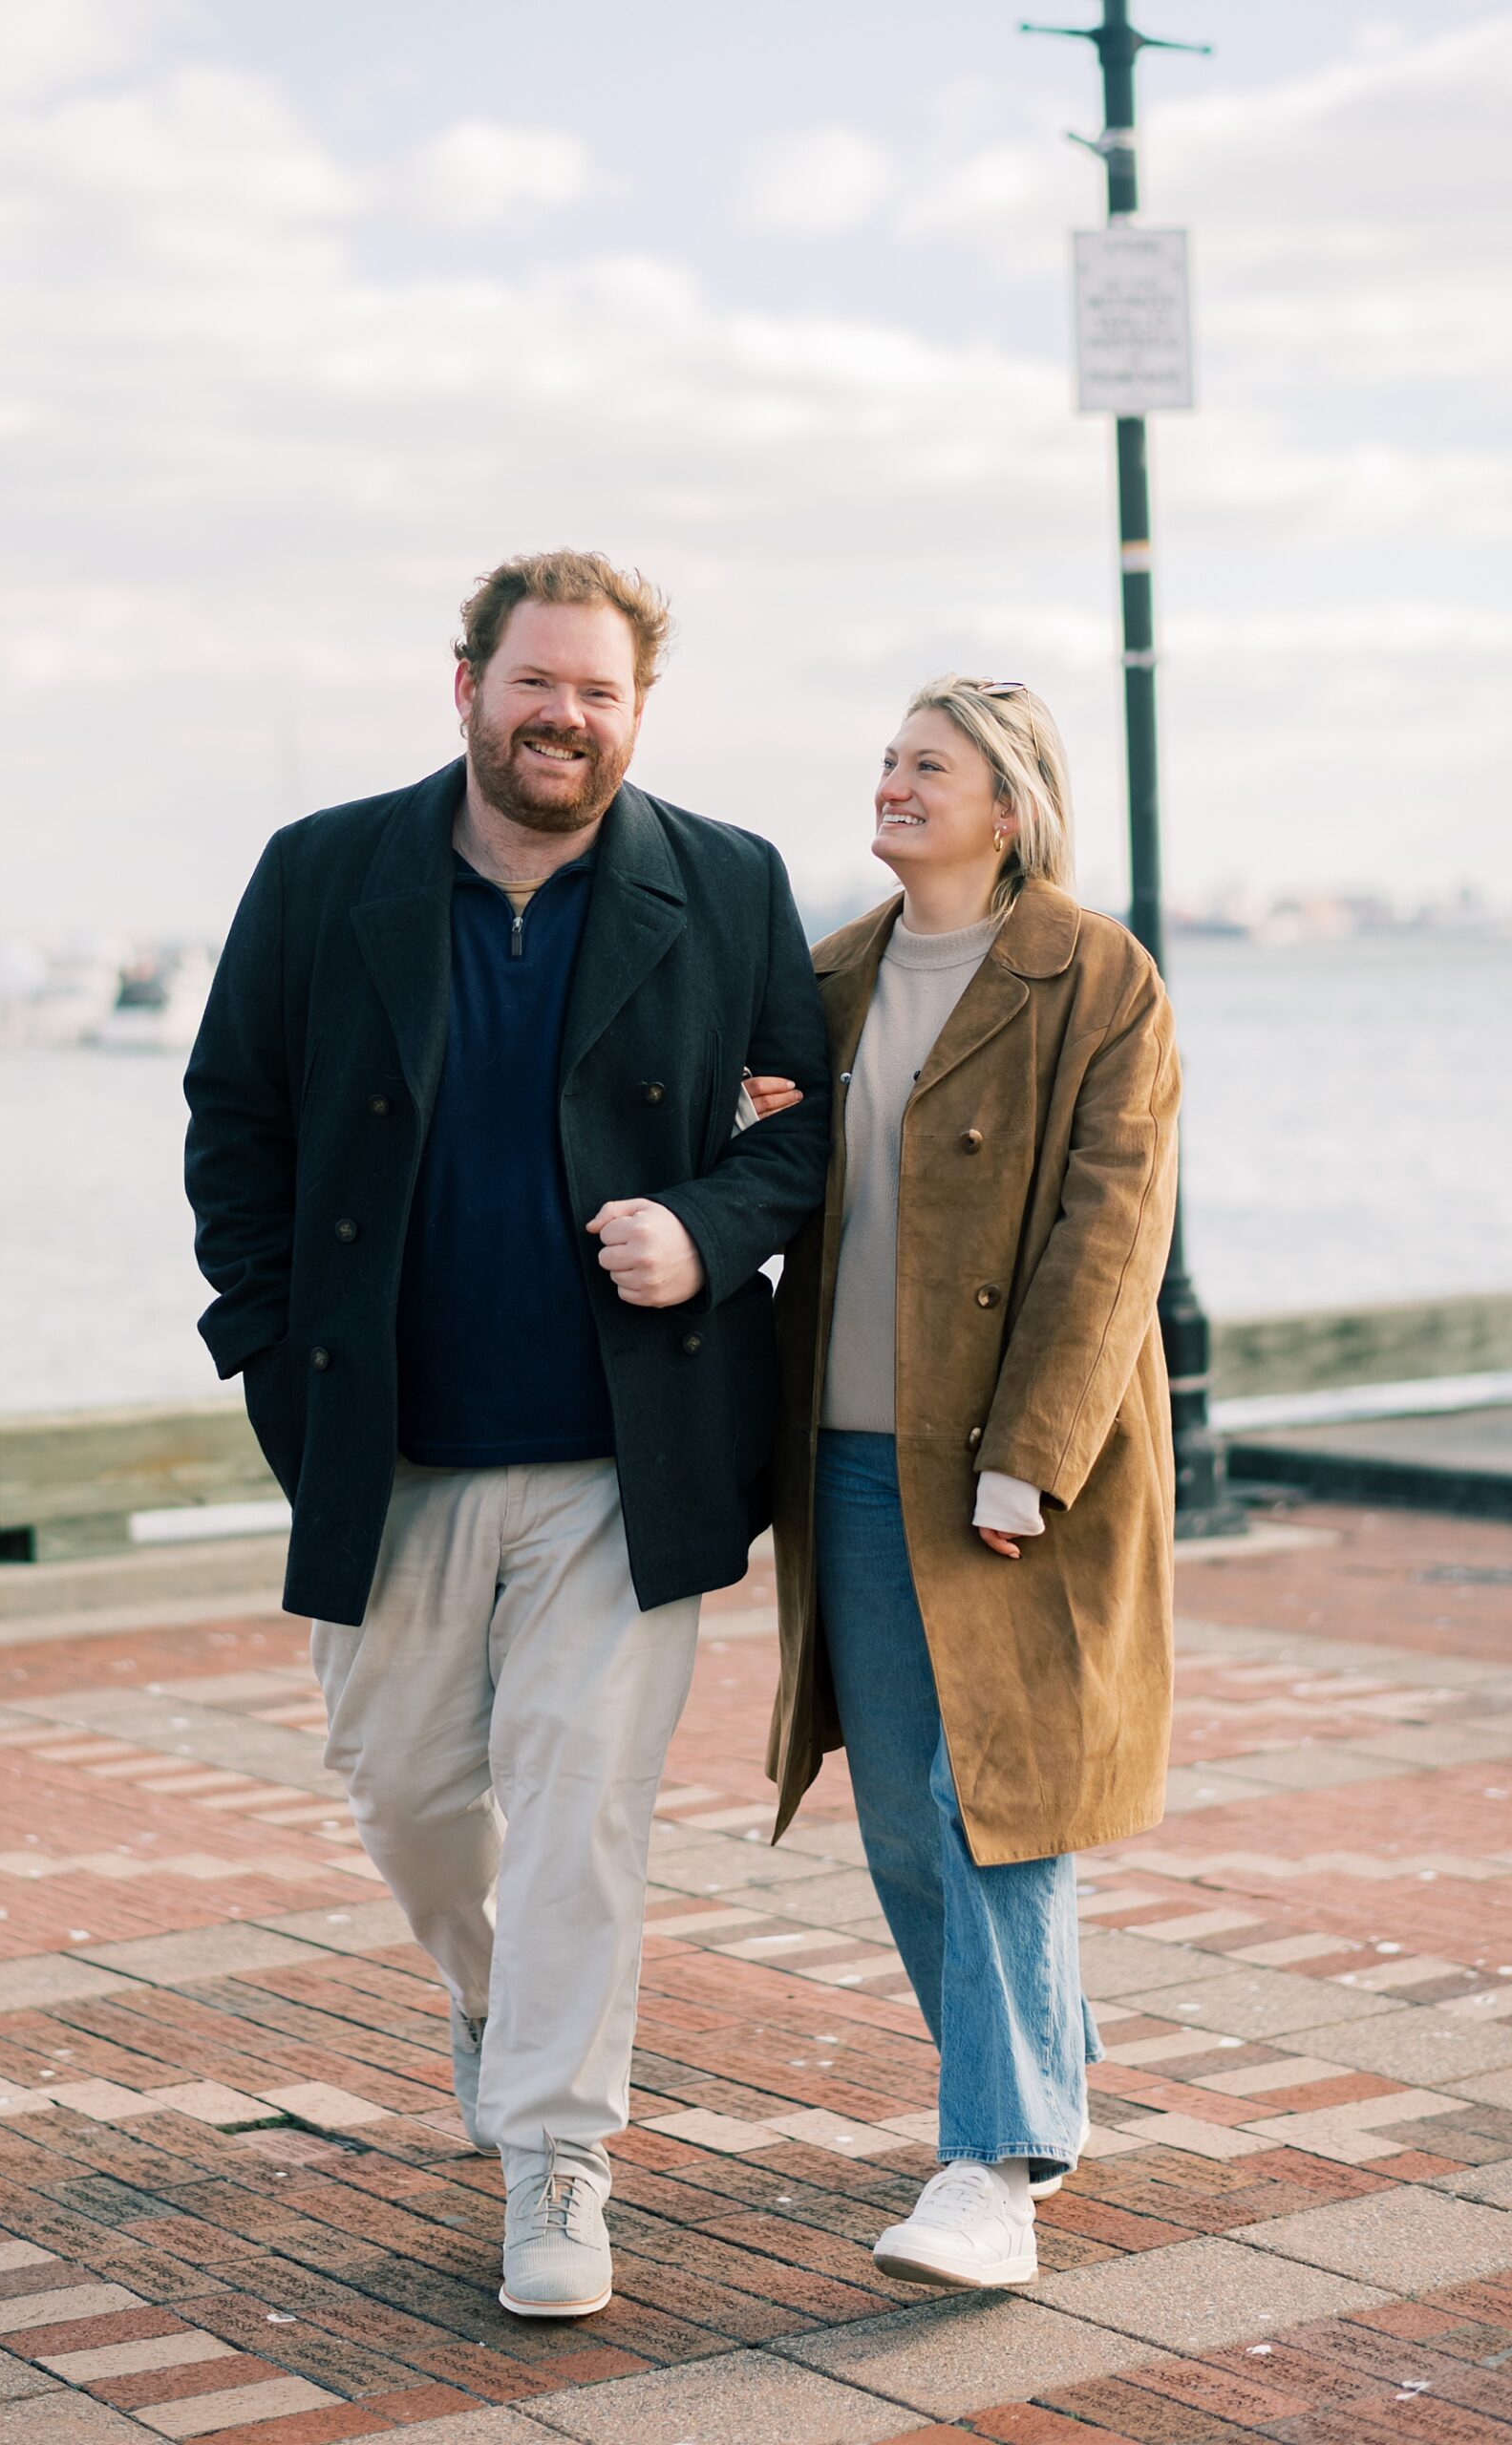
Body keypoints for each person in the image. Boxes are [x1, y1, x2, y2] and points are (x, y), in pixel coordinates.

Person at [183, 551, 830, 2319]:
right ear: (464, 682)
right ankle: (492, 1997)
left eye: (600, 691)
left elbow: (804, 1128)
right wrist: (264, 1343)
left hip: (632, 1453)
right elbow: (231, 1120)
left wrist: (707, 1224)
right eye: (535, 682)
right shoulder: (325, 876)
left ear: (637, 711)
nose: (565, 716)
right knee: (404, 1789)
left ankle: (557, 2151)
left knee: (579, 1811)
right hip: (386, 1448)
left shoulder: (728, 880)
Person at [749, 673, 1179, 2291]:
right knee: (902, 1817)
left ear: (1010, 804)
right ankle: (1040, 2084)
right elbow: (782, 1182)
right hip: (846, 1457)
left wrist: (1031, 1461)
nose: (893, 783)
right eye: (886, 760)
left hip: (1007, 1471)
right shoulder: (832, 975)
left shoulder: (1095, 977)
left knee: (998, 1808)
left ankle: (986, 2168)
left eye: (928, 766)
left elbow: (1111, 1237)